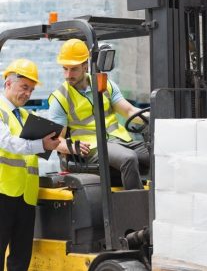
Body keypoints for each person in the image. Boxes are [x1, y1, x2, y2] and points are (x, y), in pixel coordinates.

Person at [0, 59, 60, 271]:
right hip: (2, 191)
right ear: (8, 82)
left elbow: (43, 144)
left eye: (31, 90)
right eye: (24, 87)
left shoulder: (26, 117)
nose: (27, 93)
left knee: (21, 252)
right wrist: (40, 145)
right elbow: (9, 143)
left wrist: (63, 144)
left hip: (25, 193)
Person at [48, 39, 149, 190]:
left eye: (73, 69)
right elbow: (56, 139)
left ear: (85, 65)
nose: (68, 75)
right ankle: (136, 211)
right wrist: (72, 148)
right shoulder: (60, 97)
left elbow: (129, 111)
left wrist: (156, 118)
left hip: (120, 140)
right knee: (128, 158)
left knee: (156, 154)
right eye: (65, 69)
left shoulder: (105, 84)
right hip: (92, 147)